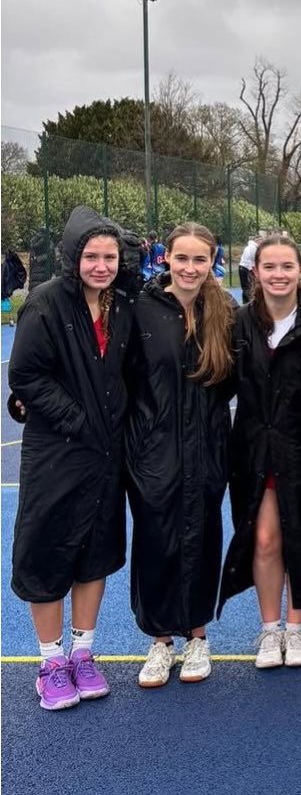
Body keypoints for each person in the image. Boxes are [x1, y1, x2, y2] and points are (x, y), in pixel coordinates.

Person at [8, 207, 137, 709]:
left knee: (94, 552)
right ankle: (51, 662)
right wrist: (78, 420)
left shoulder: (121, 304)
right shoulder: (45, 303)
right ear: (72, 256)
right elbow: (27, 377)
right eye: (91, 255)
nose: (101, 265)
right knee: (47, 551)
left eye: (109, 256)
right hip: (57, 452)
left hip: (106, 455)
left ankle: (83, 653)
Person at [126, 222, 236, 688]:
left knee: (202, 539)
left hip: (208, 449)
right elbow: (120, 378)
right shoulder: (141, 310)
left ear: (212, 262)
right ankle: (159, 642)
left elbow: (234, 381)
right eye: (183, 258)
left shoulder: (225, 312)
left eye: (201, 259)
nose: (191, 267)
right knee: (156, 542)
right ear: (166, 258)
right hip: (154, 451)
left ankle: (197, 637)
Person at [217, 234, 301, 668]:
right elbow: (217, 381)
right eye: (270, 268)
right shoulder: (240, 323)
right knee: (263, 540)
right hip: (255, 449)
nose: (278, 275)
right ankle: (269, 630)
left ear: (300, 271)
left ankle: (296, 629)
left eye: (287, 267)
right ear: (255, 273)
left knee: (299, 535)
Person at [238, 232, 260, 299]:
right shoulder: (253, 248)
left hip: (241, 267)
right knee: (249, 287)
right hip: (247, 268)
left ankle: (245, 302)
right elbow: (253, 260)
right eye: (261, 241)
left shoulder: (248, 247)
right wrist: (254, 272)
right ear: (257, 241)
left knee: (244, 287)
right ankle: (250, 302)